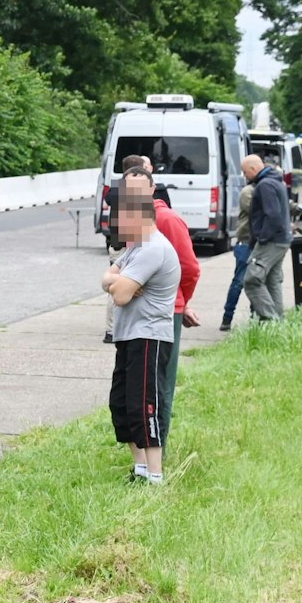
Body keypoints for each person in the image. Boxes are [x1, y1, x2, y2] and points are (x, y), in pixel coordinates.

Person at [102, 167, 180, 483]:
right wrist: (120, 281)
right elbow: (107, 278)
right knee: (122, 405)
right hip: (129, 335)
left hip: (148, 336)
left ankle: (156, 476)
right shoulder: (136, 246)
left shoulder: (152, 248)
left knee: (145, 405)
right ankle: (140, 469)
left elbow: (119, 295)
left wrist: (119, 283)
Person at [149, 185, 201, 445]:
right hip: (150, 309)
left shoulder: (166, 219)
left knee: (161, 384)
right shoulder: (140, 218)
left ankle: (159, 449)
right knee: (152, 385)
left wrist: (183, 301)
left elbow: (189, 268)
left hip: (168, 309)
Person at [241, 153, 292, 322]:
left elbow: (273, 216)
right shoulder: (277, 181)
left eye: (245, 172)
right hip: (282, 240)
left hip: (271, 241)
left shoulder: (264, 185)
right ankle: (279, 324)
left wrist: (262, 238)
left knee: (252, 280)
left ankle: (271, 322)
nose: (245, 176)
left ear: (254, 169)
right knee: (272, 281)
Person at [220, 178, 255, 332]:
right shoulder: (248, 192)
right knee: (239, 282)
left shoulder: (260, 191)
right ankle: (227, 318)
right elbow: (258, 211)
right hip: (246, 242)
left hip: (257, 242)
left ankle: (256, 320)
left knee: (257, 282)